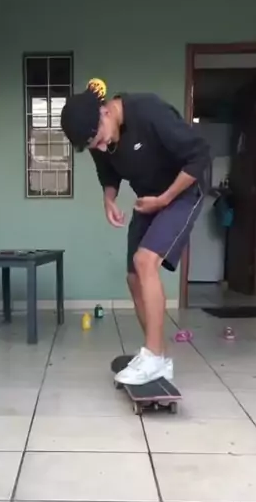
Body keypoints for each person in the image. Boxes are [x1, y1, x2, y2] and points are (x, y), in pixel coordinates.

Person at [60, 79, 210, 385]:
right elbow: (107, 171)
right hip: (149, 198)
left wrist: (165, 199)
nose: (102, 148)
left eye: (101, 140)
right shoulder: (96, 136)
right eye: (95, 146)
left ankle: (152, 356)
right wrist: (109, 199)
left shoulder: (148, 111)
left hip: (183, 192)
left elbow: (200, 155)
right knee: (133, 276)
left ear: (104, 112)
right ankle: (159, 357)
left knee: (145, 261)